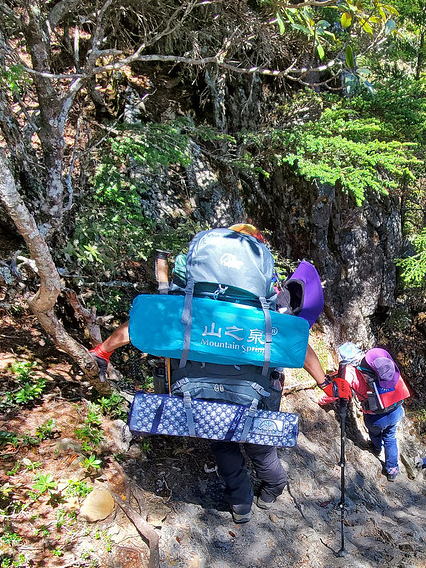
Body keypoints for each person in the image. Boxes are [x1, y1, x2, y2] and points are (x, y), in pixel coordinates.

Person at [91, 223, 330, 524]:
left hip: (196, 386)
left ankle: (241, 504)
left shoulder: (188, 306)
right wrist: (324, 382)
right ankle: (272, 488)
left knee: (222, 440)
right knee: (260, 443)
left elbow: (143, 325)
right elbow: (298, 345)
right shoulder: (264, 309)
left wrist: (103, 351)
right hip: (254, 389)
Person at [324, 343, 410, 481]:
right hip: (395, 410)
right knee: (390, 438)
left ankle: (376, 448)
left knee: (375, 434)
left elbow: (340, 392)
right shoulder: (379, 365)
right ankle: (392, 470)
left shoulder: (350, 372)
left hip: (375, 417)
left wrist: (323, 400)